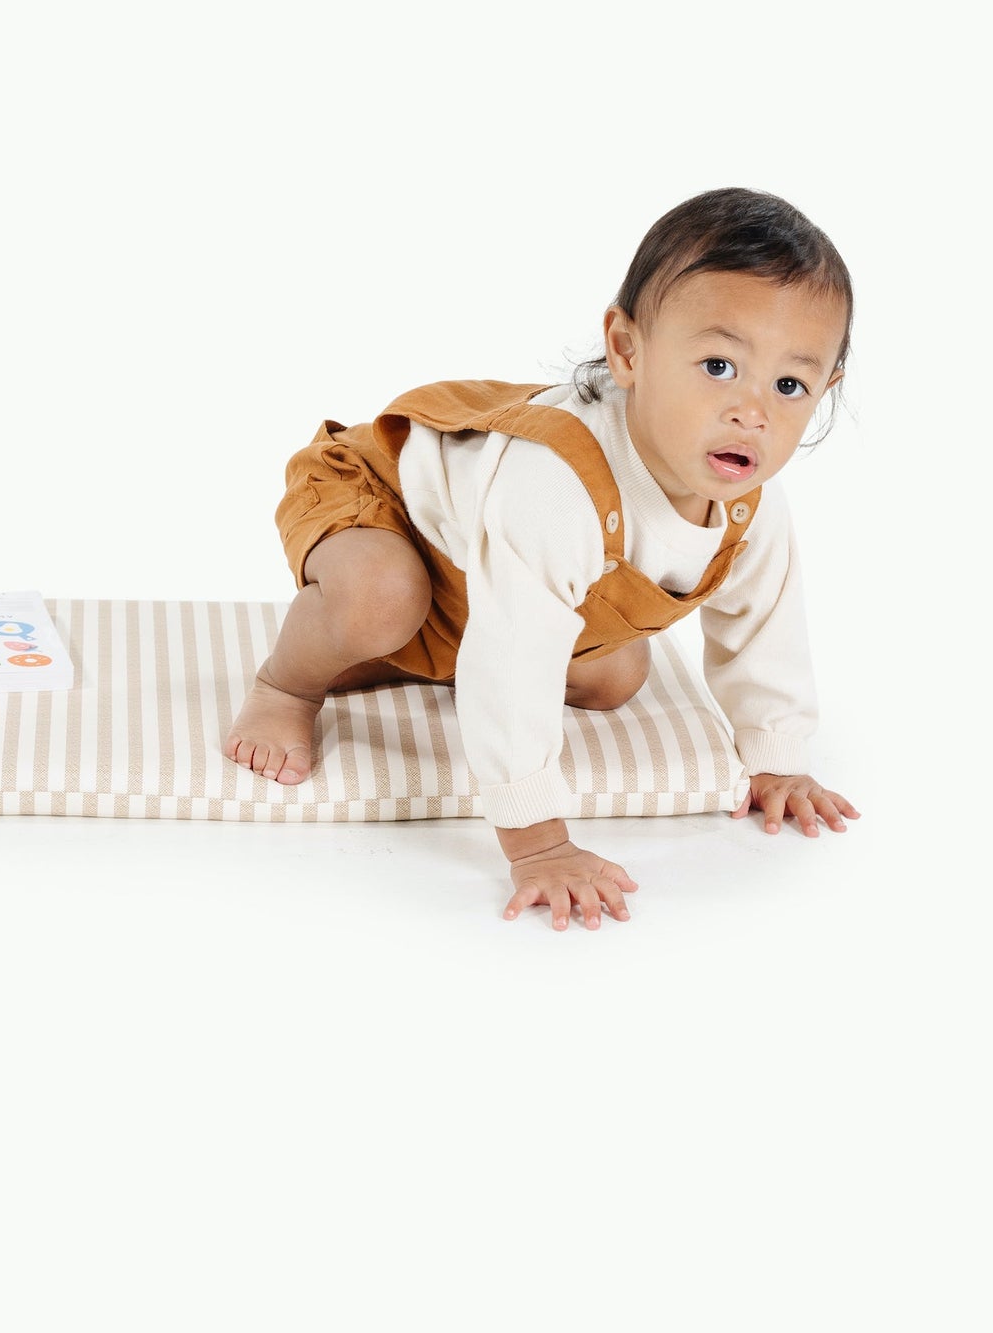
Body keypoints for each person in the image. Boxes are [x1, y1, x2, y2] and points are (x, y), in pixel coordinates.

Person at [223, 187, 860, 930]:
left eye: (789, 385)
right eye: (719, 365)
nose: (752, 411)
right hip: (384, 503)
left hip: (482, 576)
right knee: (379, 600)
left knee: (616, 673)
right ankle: (289, 684)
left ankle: (408, 652)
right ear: (627, 350)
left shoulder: (750, 505)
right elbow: (517, 661)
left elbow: (764, 626)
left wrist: (774, 755)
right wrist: (536, 841)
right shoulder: (557, 483)